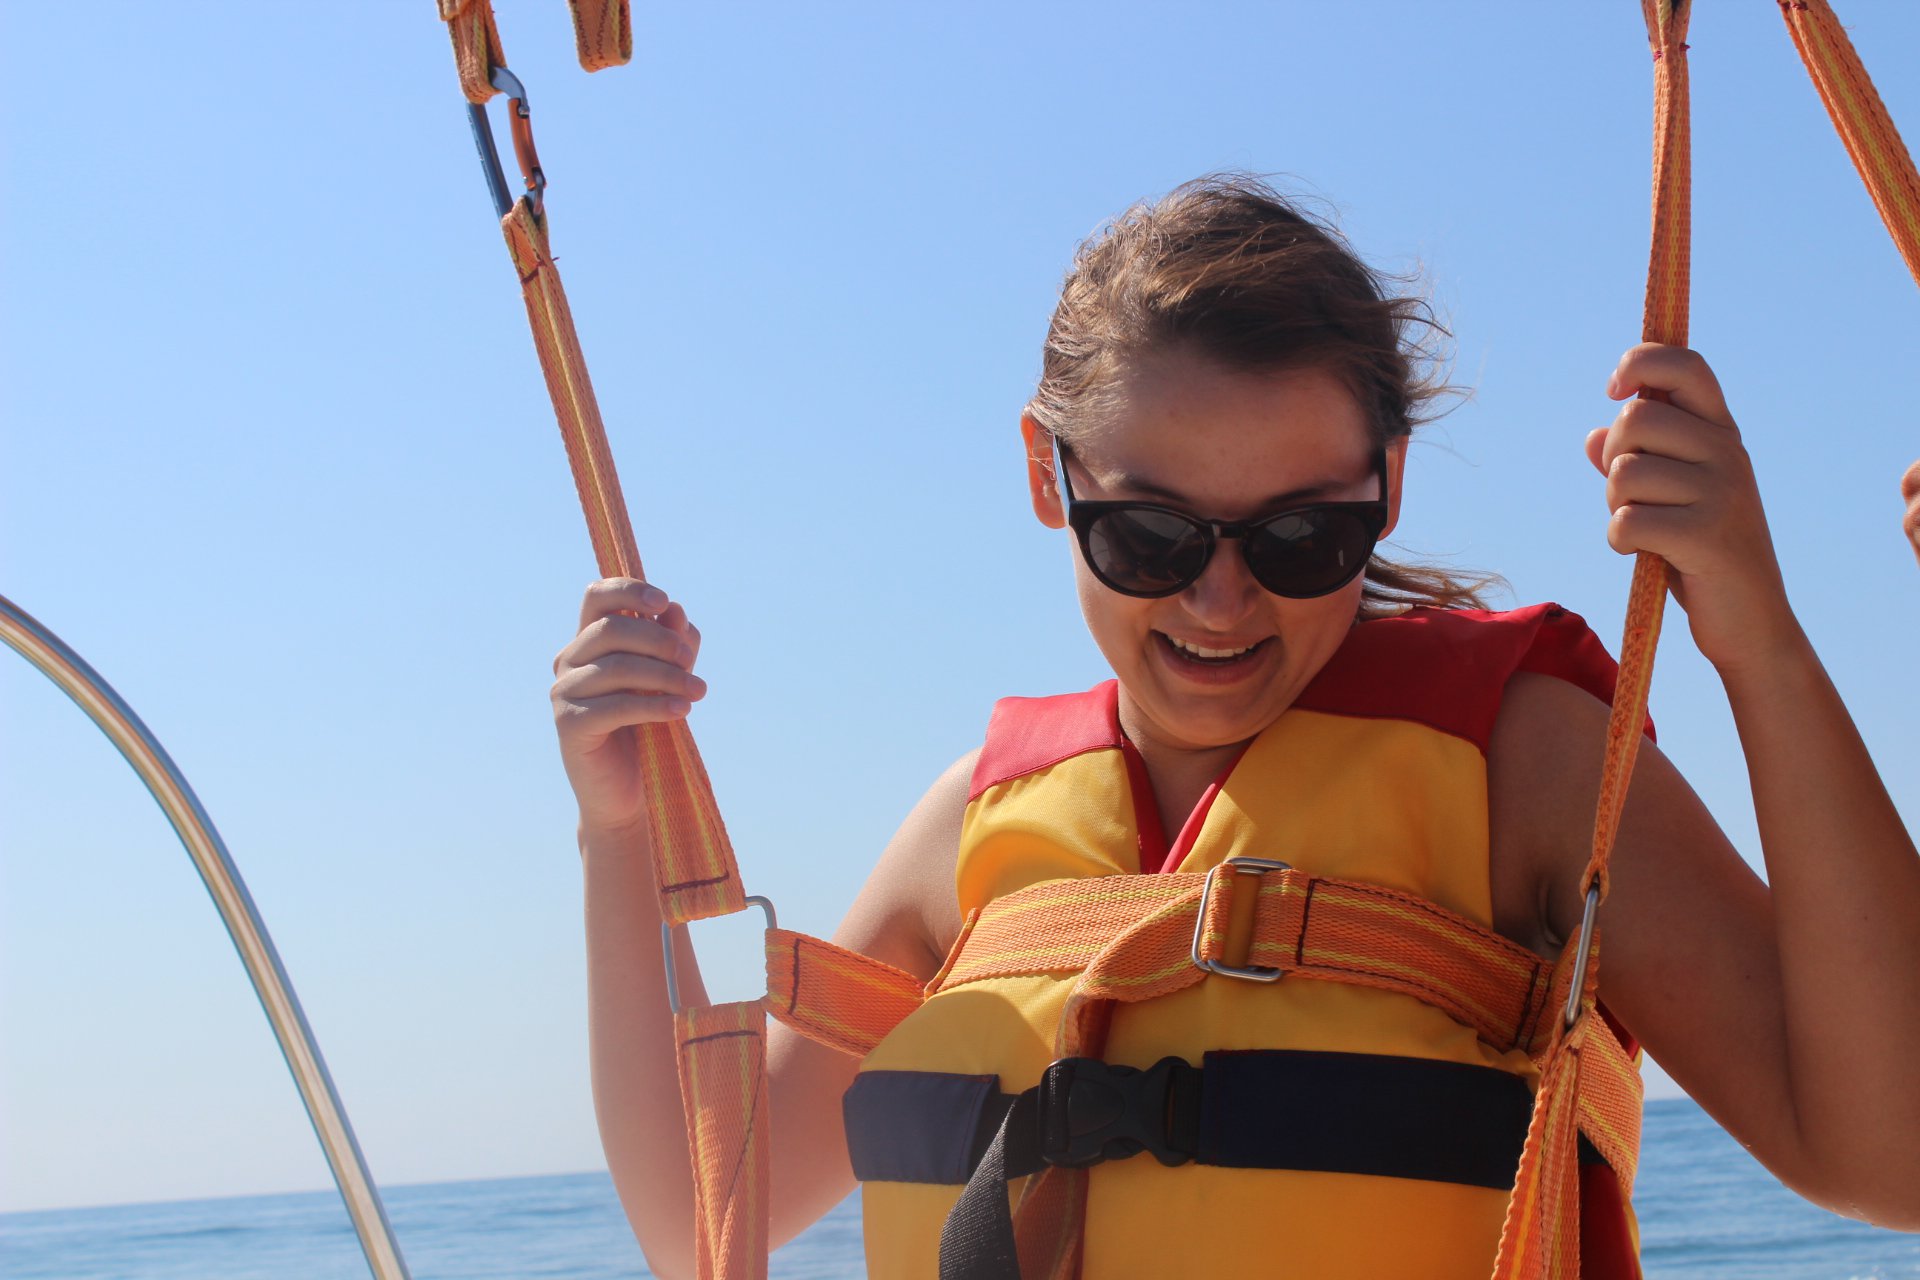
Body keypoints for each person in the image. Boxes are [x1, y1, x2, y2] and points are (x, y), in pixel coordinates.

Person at [552, 177, 1920, 1280]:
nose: (1221, 603)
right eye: (1149, 535)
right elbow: (697, 1222)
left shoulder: (1528, 769)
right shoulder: (970, 829)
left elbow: (1888, 1161)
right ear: (1048, 475)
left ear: (1386, 488)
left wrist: (1757, 638)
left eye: (1300, 538)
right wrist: (616, 832)